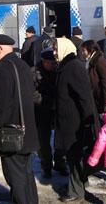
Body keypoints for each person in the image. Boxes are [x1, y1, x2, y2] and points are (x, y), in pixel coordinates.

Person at [0, 34, 40, 203]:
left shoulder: (2, 69)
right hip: (27, 130)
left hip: (10, 133)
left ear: (0, 48)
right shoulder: (22, 65)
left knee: (15, 177)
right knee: (26, 174)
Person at [53, 37, 98, 202]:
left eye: (56, 49)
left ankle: (76, 191)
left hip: (75, 122)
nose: (54, 52)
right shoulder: (66, 66)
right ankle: (78, 184)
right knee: (73, 156)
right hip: (69, 121)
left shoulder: (73, 67)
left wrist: (88, 121)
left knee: (74, 157)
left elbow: (84, 96)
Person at [34, 48, 68, 179]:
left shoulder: (59, 71)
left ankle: (60, 163)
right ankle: (46, 166)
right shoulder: (34, 73)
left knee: (60, 140)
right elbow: (32, 93)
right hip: (41, 111)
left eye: (54, 63)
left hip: (57, 111)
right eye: (49, 63)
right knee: (43, 142)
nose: (52, 65)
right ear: (43, 61)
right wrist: (47, 102)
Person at [80, 40, 106, 114]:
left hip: (105, 100)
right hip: (98, 99)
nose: (82, 53)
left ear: (90, 49)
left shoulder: (100, 61)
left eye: (84, 50)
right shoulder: (91, 61)